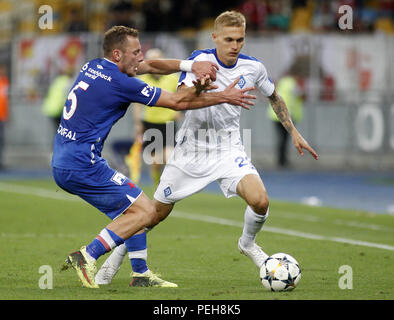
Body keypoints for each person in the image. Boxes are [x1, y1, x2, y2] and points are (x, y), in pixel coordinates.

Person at [96, 11, 318, 285]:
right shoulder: (199, 62)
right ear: (215, 38)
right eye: (228, 39)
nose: (235, 45)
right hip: (191, 151)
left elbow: (274, 95)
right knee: (152, 215)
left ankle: (248, 244)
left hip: (228, 150)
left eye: (240, 39)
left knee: (260, 201)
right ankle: (115, 257)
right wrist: (201, 87)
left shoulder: (254, 68)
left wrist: (293, 131)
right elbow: (182, 99)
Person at [54, 25, 256, 288]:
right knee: (147, 211)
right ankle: (87, 255)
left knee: (134, 210)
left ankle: (140, 274)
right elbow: (177, 102)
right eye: (136, 52)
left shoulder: (94, 65)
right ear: (117, 54)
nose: (141, 57)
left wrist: (191, 66)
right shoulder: (122, 82)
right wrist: (223, 95)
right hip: (83, 164)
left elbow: (150, 66)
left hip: (67, 159)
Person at [128, 48, 181, 187]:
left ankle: (166, 184)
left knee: (169, 157)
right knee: (155, 161)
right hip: (150, 123)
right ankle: (156, 178)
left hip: (168, 123)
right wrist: (137, 123)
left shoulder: (172, 78)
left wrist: (181, 110)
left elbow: (182, 96)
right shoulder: (142, 80)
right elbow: (137, 105)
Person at [267, 64, 304, 168]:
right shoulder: (293, 84)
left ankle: (281, 160)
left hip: (275, 115)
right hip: (284, 116)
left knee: (282, 138)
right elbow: (301, 95)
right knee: (285, 138)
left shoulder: (282, 81)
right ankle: (282, 161)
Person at [42, 67, 74, 136]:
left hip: (50, 108)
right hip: (59, 109)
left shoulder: (58, 80)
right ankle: (58, 145)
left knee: (57, 130)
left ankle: (54, 145)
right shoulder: (68, 82)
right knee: (61, 131)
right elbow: (69, 96)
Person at [0, 64, 9, 170]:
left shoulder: (5, 81)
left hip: (2, 116)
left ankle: (0, 162)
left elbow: (5, 99)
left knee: (1, 140)